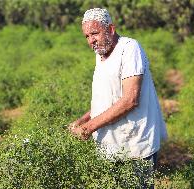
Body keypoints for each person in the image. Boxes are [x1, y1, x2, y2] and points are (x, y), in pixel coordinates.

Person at [68, 7, 167, 183]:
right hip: (111, 146)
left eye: (95, 33)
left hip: (135, 146)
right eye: (87, 36)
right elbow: (106, 99)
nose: (91, 40)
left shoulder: (129, 49)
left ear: (111, 29)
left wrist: (88, 128)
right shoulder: (100, 54)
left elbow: (130, 100)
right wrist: (83, 120)